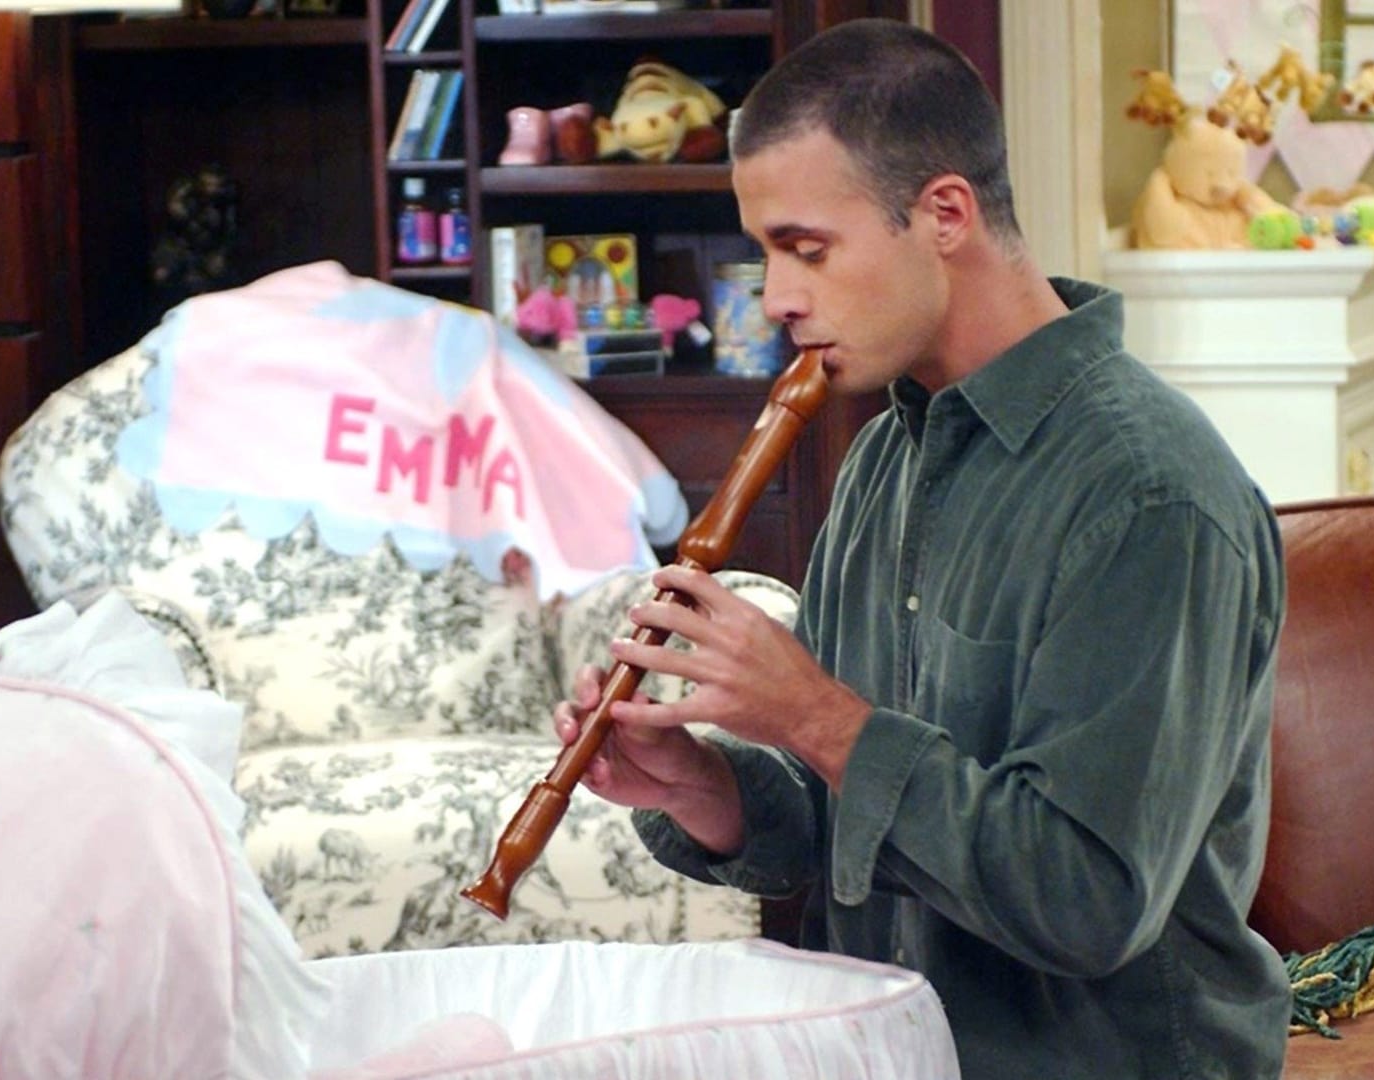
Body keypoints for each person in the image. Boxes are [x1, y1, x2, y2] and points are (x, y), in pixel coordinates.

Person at [551, 18, 1291, 1078]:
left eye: (808, 249)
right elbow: (850, 823)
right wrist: (700, 787)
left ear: (945, 213)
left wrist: (815, 714)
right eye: (765, 254)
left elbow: (1088, 901)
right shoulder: (883, 460)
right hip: (886, 1054)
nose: (777, 297)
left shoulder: (1151, 496)